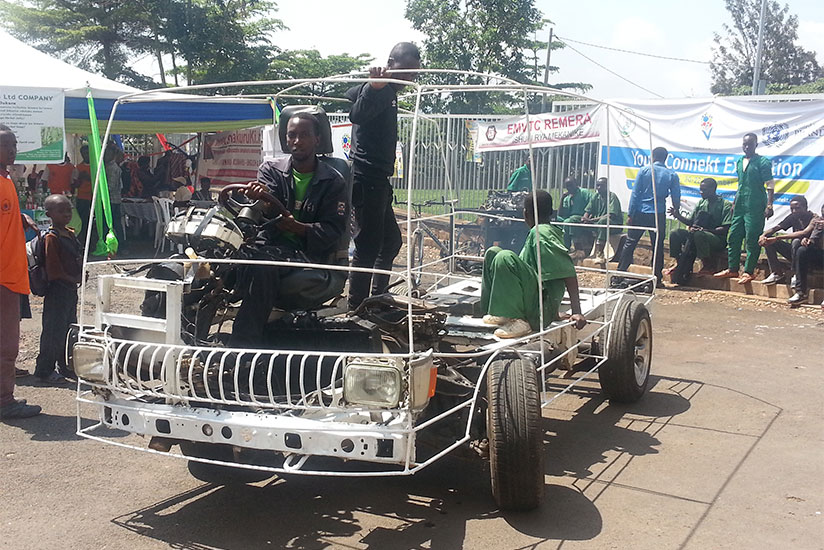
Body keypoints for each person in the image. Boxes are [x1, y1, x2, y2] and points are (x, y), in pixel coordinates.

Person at [231, 112, 348, 346]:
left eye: (304, 135)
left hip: (306, 255)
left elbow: (333, 231)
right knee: (209, 260)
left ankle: (242, 350)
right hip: (269, 247)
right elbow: (268, 204)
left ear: (317, 139)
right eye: (291, 135)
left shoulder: (333, 181)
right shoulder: (271, 170)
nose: (297, 141)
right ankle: (180, 339)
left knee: (263, 268)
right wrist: (259, 199)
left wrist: (299, 229)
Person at [346, 42, 421, 310]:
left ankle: (377, 298)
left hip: (379, 180)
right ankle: (357, 308)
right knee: (367, 246)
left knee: (390, 241)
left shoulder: (390, 91)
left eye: (413, 75)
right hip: (366, 178)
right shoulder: (381, 89)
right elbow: (355, 112)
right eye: (404, 71)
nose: (408, 79)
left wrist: (372, 88)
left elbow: (349, 93)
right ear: (390, 64)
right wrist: (372, 87)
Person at [481, 190, 587, 339]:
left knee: (504, 257)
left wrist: (577, 311)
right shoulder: (539, 232)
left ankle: (519, 321)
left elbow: (567, 271)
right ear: (551, 212)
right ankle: (500, 312)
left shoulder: (541, 233)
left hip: (539, 311)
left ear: (525, 213)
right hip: (536, 298)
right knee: (493, 253)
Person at [0, 124, 42, 419]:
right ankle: (4, 400)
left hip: (11, 275)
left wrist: (21, 217)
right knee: (6, 344)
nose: (12, 150)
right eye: (6, 145)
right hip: (2, 278)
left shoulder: (7, 180)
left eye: (14, 144)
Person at [33, 194, 82, 384]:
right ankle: (45, 369)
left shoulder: (69, 233)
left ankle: (65, 366)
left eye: (69, 210)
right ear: (49, 214)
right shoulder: (52, 238)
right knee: (53, 330)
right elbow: (53, 271)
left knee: (69, 329)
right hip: (58, 290)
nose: (66, 214)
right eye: (61, 211)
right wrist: (73, 277)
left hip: (70, 289)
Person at [714, 133, 775, 284]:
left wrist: (769, 205)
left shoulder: (763, 162)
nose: (747, 147)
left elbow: (770, 185)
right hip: (740, 204)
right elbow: (740, 185)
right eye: (745, 144)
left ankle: (749, 271)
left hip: (755, 205)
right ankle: (732, 268)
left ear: (756, 145)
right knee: (733, 236)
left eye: (750, 144)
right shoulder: (740, 161)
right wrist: (734, 203)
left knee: (752, 239)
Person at [616, 146, 681, 284]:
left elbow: (635, 193)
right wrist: (676, 209)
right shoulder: (671, 174)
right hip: (658, 213)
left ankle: (619, 273)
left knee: (630, 242)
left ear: (653, 156)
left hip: (640, 211)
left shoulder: (644, 171)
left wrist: (631, 213)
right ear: (666, 158)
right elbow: (676, 195)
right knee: (657, 246)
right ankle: (656, 278)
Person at [666, 178, 733, 285]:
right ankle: (679, 262)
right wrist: (678, 216)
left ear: (713, 189)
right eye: (700, 190)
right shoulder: (701, 203)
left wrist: (705, 230)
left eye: (704, 190)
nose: (701, 192)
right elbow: (691, 222)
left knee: (698, 234)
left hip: (717, 239)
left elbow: (725, 229)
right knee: (675, 233)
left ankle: (708, 265)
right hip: (699, 234)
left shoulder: (725, 205)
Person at [758, 194, 813, 285]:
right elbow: (776, 228)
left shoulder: (813, 218)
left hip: (808, 253)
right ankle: (777, 273)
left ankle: (796, 274)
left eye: (798, 208)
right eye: (792, 209)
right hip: (794, 252)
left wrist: (777, 238)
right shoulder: (793, 217)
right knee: (769, 242)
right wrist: (763, 235)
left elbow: (804, 233)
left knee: (796, 241)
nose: (794, 211)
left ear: (805, 207)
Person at [775, 204, 824, 306]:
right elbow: (811, 236)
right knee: (802, 250)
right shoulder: (819, 222)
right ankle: (801, 293)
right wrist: (808, 240)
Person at [583, 177, 624, 260]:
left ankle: (600, 253)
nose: (598, 188)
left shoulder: (612, 197)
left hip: (614, 225)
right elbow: (588, 210)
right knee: (574, 220)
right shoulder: (596, 196)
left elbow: (610, 215)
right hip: (598, 223)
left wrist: (591, 220)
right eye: (597, 185)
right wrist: (584, 218)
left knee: (603, 221)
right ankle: (580, 250)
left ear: (606, 186)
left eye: (601, 186)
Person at [556, 176, 594, 253]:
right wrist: (562, 198)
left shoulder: (584, 192)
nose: (569, 188)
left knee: (568, 221)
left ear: (576, 184)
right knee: (556, 220)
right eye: (567, 186)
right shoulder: (567, 198)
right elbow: (560, 214)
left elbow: (593, 206)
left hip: (582, 218)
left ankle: (569, 247)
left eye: (571, 185)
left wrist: (589, 218)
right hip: (569, 218)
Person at [104, 143, 125, 250]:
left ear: (112, 155)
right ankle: (118, 245)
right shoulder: (112, 167)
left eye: (107, 154)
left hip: (111, 200)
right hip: (115, 199)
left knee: (111, 224)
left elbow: (110, 186)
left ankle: (117, 246)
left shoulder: (112, 168)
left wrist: (101, 194)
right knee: (116, 224)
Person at [73, 144, 92, 239]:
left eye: (87, 153)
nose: (86, 155)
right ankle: (82, 239)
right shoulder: (78, 167)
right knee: (83, 220)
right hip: (82, 197)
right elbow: (75, 184)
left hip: (94, 197)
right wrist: (80, 178)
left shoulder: (96, 165)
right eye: (83, 153)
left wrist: (89, 178)